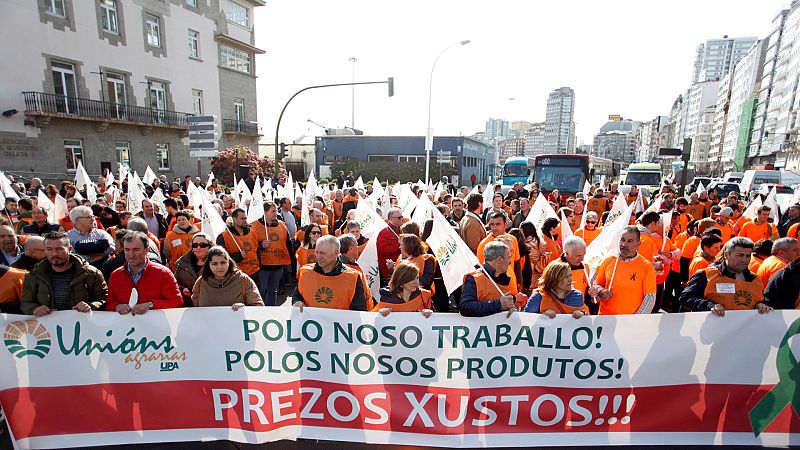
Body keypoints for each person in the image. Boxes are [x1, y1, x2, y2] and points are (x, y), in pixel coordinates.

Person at [20, 231, 107, 316]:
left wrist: (91, 306)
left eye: (59, 249)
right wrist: (34, 309)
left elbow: (104, 300)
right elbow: (26, 303)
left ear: (69, 249)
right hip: (47, 328)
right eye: (49, 249)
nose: (54, 254)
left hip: (82, 326)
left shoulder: (91, 274)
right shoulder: (34, 275)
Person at [680, 237, 772, 316]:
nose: (744, 260)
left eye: (747, 256)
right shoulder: (706, 275)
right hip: (714, 331)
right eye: (739, 255)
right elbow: (685, 297)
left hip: (745, 332)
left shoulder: (755, 280)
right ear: (727, 254)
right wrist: (709, 306)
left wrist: (761, 305)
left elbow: (762, 300)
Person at [106, 231, 183, 314]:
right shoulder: (115, 275)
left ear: (146, 250)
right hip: (125, 326)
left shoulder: (163, 273)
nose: (131, 255)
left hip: (156, 325)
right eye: (127, 250)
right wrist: (117, 306)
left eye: (136, 250)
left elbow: (177, 301)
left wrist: (151, 305)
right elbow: (109, 303)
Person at [591, 226, 657, 315]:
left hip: (629, 321)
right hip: (605, 317)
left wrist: (634, 320)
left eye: (630, 241)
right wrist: (601, 291)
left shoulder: (647, 267)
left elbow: (649, 298)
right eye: (622, 240)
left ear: (638, 244)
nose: (624, 244)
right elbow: (597, 283)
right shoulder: (609, 259)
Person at [293, 235, 368, 310]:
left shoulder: (352, 277)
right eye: (316, 252)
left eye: (323, 253)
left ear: (336, 252)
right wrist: (297, 302)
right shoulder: (305, 272)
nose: (318, 256)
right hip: (310, 320)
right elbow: (297, 294)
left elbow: (359, 309)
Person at [460, 241, 526, 317]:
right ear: (499, 259)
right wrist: (498, 304)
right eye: (508, 258)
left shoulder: (504, 279)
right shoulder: (474, 279)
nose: (510, 262)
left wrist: (513, 301)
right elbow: (466, 307)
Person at [190, 246, 264, 310]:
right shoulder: (201, 282)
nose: (220, 267)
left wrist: (244, 309)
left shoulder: (243, 280)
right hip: (208, 325)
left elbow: (258, 307)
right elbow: (195, 309)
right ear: (208, 265)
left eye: (223, 262)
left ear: (229, 262)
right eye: (214, 264)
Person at [253, 201, 293, 305]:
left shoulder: (281, 225)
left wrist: (290, 258)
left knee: (272, 291)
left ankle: (271, 312)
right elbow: (250, 245)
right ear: (265, 212)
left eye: (276, 210)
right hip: (263, 266)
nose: (276, 213)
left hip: (278, 265)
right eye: (273, 211)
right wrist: (261, 245)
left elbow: (288, 242)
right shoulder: (254, 226)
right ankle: (259, 312)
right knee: (261, 291)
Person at [523, 260, 588, 318]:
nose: (570, 280)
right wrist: (542, 316)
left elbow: (587, 318)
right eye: (566, 277)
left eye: (570, 275)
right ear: (554, 279)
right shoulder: (539, 296)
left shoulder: (577, 296)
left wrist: (582, 314)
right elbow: (527, 318)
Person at [216, 208, 260, 283]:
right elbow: (221, 257)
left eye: (245, 218)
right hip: (236, 275)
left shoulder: (252, 232)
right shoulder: (224, 236)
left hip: (255, 273)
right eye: (242, 218)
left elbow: (257, 250)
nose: (245, 220)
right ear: (234, 219)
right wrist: (238, 256)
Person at [176, 233, 211, 306]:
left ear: (209, 246)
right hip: (188, 305)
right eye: (195, 245)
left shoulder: (217, 262)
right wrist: (183, 289)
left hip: (210, 304)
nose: (198, 247)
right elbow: (174, 283)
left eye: (203, 245)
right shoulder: (182, 263)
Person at [376, 207, 403, 283]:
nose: (402, 219)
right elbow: (382, 251)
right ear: (390, 218)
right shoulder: (384, 233)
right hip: (389, 272)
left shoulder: (402, 230)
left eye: (402, 217)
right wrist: (399, 243)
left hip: (402, 269)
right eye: (399, 217)